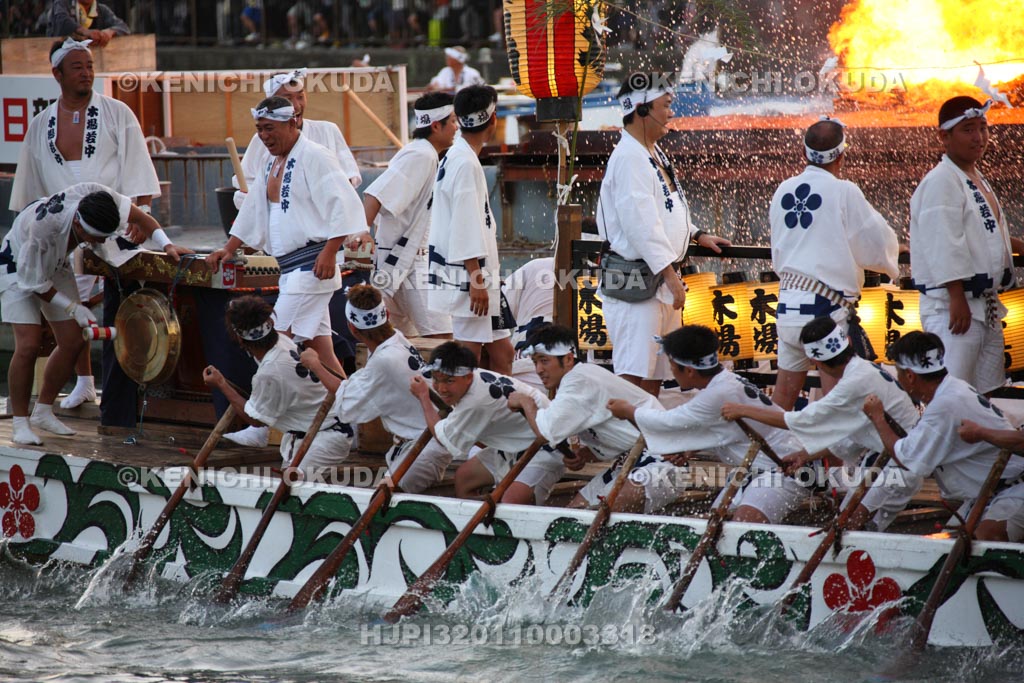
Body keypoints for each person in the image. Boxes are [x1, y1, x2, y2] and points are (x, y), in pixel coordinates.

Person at [10, 38, 163, 416]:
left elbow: (138, 167)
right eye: (77, 66)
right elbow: (29, 189)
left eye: (90, 65)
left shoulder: (116, 112)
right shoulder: (40, 124)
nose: (86, 72)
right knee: (72, 305)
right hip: (61, 226)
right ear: (57, 74)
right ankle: (82, 382)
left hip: (110, 218)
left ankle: (118, 387)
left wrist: (142, 212)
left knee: (115, 296)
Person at [1, 183, 188, 445]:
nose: (101, 243)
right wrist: (72, 307)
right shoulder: (44, 228)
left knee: (74, 341)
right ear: (79, 226)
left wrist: (167, 246)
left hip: (55, 263)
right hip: (16, 264)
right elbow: (33, 281)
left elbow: (140, 218)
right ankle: (21, 422)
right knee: (29, 344)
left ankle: (43, 411)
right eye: (98, 238)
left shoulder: (101, 196)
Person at [207, 95, 366, 389]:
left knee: (270, 342)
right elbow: (254, 207)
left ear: (292, 122)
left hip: (312, 267)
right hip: (290, 269)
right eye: (259, 129)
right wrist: (229, 249)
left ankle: (261, 424)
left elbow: (343, 203)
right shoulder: (271, 162)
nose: (264, 136)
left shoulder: (316, 155)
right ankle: (351, 416)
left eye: (270, 128)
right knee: (323, 351)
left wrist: (331, 251)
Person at [596, 72, 730, 395]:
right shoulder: (629, 157)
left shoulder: (652, 152)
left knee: (654, 373)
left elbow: (666, 208)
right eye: (666, 105)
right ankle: (619, 445)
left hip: (658, 279)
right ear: (642, 110)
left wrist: (697, 234)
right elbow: (639, 224)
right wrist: (670, 275)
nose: (672, 112)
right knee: (632, 375)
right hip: (638, 282)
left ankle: (644, 443)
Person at [721, 316, 920, 527]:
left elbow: (799, 421)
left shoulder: (853, 383)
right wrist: (805, 455)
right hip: (888, 463)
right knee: (846, 530)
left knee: (846, 530)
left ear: (814, 362)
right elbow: (852, 436)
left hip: (897, 466)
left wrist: (741, 410)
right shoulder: (864, 369)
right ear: (849, 344)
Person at [609, 325, 811, 525]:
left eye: (672, 367)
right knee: (711, 526)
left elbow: (669, 422)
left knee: (742, 527)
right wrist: (689, 449)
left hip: (789, 468)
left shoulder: (717, 393)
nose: (671, 372)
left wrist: (629, 411)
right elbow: (724, 431)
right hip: (756, 470)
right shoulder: (725, 382)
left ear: (688, 371)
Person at [769, 116, 899, 410]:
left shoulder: (783, 190)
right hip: (824, 314)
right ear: (842, 154)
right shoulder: (844, 191)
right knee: (837, 401)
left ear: (804, 153)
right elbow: (873, 242)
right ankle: (838, 458)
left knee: (782, 400)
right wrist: (892, 260)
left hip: (789, 306)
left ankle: (769, 453)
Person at [853, 331, 1024, 541]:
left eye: (898, 373)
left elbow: (906, 459)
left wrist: (878, 418)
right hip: (986, 495)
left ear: (909, 376)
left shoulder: (945, 404)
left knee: (977, 548)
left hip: (1014, 488)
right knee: (942, 547)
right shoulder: (952, 389)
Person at [909, 96, 1024, 396]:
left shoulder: (973, 176)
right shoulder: (941, 180)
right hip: (954, 306)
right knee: (953, 392)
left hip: (984, 304)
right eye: (968, 129)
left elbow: (978, 231)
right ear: (944, 136)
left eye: (983, 128)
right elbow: (943, 240)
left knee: (986, 393)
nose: (979, 138)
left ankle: (981, 444)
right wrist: (956, 295)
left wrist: (1018, 246)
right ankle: (944, 444)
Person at [507, 324, 684, 513]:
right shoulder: (578, 378)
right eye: (535, 362)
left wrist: (527, 403)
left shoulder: (579, 379)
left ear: (568, 359)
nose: (539, 370)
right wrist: (585, 455)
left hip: (664, 462)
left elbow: (546, 433)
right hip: (628, 462)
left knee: (596, 517)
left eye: (544, 361)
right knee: (573, 516)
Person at [298, 284, 452, 493]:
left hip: (422, 449)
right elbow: (351, 387)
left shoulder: (384, 359)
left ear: (351, 328)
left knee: (380, 502)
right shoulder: (396, 339)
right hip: (423, 444)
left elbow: (346, 399)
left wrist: (316, 365)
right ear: (387, 314)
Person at [203, 296, 353, 476]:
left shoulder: (269, 372)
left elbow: (255, 420)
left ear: (240, 340)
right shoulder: (280, 340)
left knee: (294, 493)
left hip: (325, 435)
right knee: (289, 492)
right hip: (312, 432)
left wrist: (221, 384)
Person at [353, 92, 458, 339]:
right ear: (436, 125)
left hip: (403, 260)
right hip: (409, 262)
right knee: (441, 339)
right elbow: (375, 194)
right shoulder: (421, 155)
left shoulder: (425, 153)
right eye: (452, 121)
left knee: (397, 341)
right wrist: (362, 231)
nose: (456, 127)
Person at [409, 342, 565, 505]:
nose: (441, 389)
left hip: (545, 448)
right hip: (510, 447)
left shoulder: (475, 402)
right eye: (436, 380)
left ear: (468, 377)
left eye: (449, 381)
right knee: (464, 478)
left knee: (510, 502)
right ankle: (481, 521)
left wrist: (424, 398)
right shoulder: (470, 376)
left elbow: (444, 440)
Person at [427, 85, 514, 374]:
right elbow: (464, 224)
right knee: (468, 357)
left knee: (503, 353)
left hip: (479, 274)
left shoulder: (457, 155)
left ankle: (503, 411)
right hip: (471, 277)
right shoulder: (464, 162)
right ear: (493, 120)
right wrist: (476, 280)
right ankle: (459, 415)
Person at [234, 68, 361, 207]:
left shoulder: (327, 131)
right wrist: (253, 197)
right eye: (287, 99)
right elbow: (246, 182)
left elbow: (349, 176)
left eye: (300, 97)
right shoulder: (262, 140)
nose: (296, 105)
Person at [47, 0, 129, 45]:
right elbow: (63, 21)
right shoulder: (62, 3)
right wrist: (85, 32)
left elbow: (123, 27)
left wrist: (109, 32)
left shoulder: (101, 9)